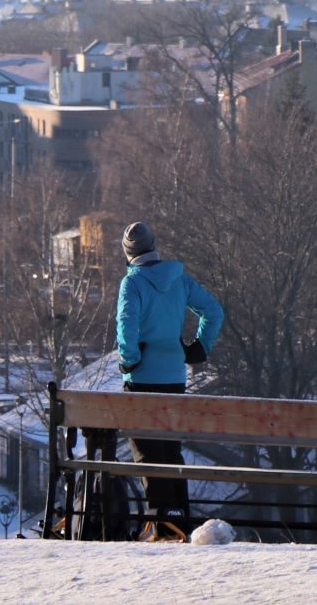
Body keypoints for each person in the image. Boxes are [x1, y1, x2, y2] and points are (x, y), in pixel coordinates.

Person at [114, 220, 223, 536]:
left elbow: (126, 326)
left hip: (142, 379)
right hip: (174, 378)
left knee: (148, 455)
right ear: (153, 246)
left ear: (128, 252)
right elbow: (213, 311)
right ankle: (181, 521)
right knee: (170, 451)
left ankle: (162, 524)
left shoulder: (132, 283)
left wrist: (130, 361)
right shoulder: (179, 279)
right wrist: (199, 347)